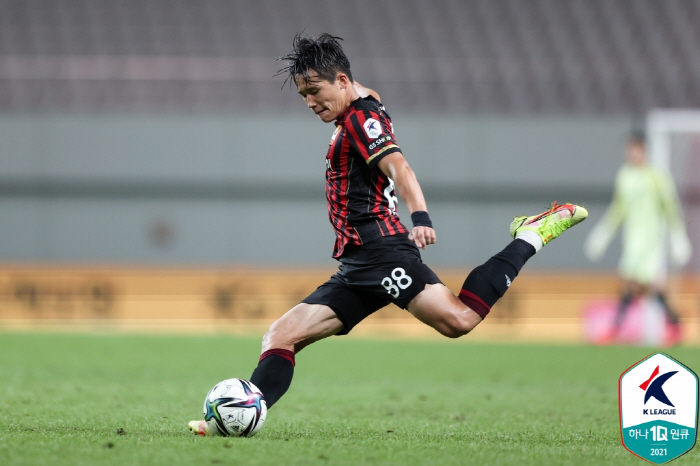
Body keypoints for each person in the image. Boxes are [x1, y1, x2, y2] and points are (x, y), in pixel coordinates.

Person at [189, 34, 588, 435]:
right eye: (302, 95)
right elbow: (369, 97)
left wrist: (422, 217)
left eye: (315, 91)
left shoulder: (361, 120)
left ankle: (531, 235)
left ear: (342, 81)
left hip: (383, 253)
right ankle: (234, 419)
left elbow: (400, 167)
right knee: (281, 335)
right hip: (358, 262)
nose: (310, 102)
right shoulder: (362, 106)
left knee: (459, 320)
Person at [584, 131, 691, 345]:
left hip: (651, 242)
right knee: (641, 286)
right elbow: (618, 210)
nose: (633, 154)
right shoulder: (625, 176)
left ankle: (617, 327)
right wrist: (602, 234)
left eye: (636, 150)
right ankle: (675, 324)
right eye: (629, 150)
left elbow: (669, 209)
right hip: (632, 241)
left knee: (636, 284)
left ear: (644, 151)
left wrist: (678, 237)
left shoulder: (657, 177)